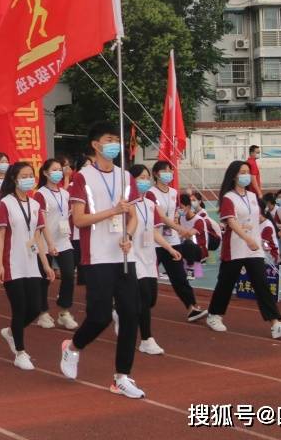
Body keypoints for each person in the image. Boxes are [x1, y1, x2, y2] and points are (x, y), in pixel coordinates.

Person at [60, 122, 144, 399]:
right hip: (96, 257)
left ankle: (122, 376)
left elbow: (133, 217)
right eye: (109, 139)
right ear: (95, 145)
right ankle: (72, 347)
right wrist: (112, 211)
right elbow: (80, 219)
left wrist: (129, 236)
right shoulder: (82, 178)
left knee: (131, 315)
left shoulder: (125, 177)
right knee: (100, 317)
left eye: (116, 140)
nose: (115, 145)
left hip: (123, 254)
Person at [206, 160, 281, 339]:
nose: (246, 175)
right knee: (226, 283)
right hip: (234, 248)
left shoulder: (253, 196)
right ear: (234, 176)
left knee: (261, 284)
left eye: (248, 172)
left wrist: (274, 233)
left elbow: (259, 218)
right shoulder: (228, 198)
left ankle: (276, 323)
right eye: (242, 172)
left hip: (254, 249)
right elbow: (231, 221)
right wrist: (247, 238)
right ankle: (214, 315)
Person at [0, 161, 56, 371]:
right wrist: (0, 264)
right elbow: (1, 236)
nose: (29, 179)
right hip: (12, 263)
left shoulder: (35, 205)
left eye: (31, 175)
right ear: (14, 179)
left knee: (36, 307)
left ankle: (11, 332)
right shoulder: (5, 204)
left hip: (31, 263)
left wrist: (46, 264)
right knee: (19, 308)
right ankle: (20, 352)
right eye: (24, 175)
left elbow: (38, 237)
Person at [129, 165, 182, 356]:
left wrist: (169, 248)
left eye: (146, 178)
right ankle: (146, 339)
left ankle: (122, 311)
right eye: (140, 178)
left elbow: (153, 231)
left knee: (150, 299)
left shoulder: (150, 205)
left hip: (149, 256)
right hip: (132, 256)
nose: (144, 181)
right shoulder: (126, 205)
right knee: (143, 296)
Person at [148, 160, 207, 322]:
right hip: (154, 241)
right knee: (148, 277)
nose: (168, 173)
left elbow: (173, 213)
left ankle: (192, 307)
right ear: (156, 174)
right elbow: (160, 216)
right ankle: (128, 303)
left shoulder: (174, 193)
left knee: (179, 276)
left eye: (170, 170)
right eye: (164, 170)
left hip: (172, 241)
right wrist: (180, 229)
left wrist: (177, 228)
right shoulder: (151, 193)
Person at [35, 158, 78, 329]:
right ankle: (43, 313)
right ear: (45, 173)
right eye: (54, 170)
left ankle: (64, 311)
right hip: (44, 242)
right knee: (45, 278)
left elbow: (66, 216)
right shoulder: (41, 194)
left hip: (63, 240)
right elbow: (42, 221)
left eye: (60, 169)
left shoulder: (65, 194)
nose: (58, 172)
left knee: (68, 274)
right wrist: (49, 243)